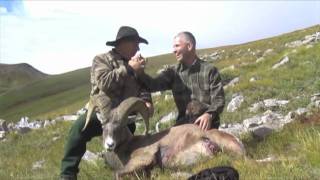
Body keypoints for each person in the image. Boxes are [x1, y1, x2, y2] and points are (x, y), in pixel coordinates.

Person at [60, 26, 153, 180]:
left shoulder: (135, 64)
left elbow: (143, 86)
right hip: (102, 115)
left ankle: (132, 168)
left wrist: (147, 101)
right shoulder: (101, 59)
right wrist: (128, 69)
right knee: (78, 130)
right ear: (123, 43)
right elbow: (104, 82)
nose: (137, 48)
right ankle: (67, 174)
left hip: (124, 119)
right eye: (135, 43)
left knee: (126, 153)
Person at [132, 31, 225, 130]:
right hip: (184, 124)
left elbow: (219, 100)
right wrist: (139, 72)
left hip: (207, 125)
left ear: (189, 46)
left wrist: (209, 115)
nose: (174, 50)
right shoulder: (173, 72)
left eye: (177, 46)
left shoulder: (209, 70)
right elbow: (153, 85)